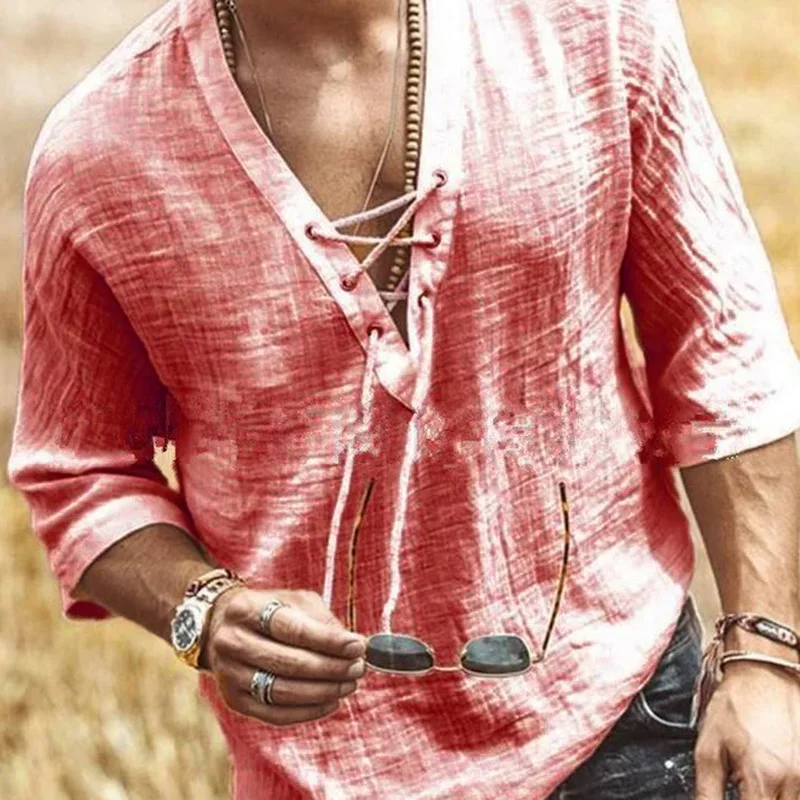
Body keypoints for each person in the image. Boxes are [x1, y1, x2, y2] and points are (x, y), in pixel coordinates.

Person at [7, 0, 800, 796]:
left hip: (631, 717)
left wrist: (765, 654)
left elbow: (721, 347)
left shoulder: (595, 21)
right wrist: (205, 613)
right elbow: (80, 473)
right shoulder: (98, 152)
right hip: (329, 769)